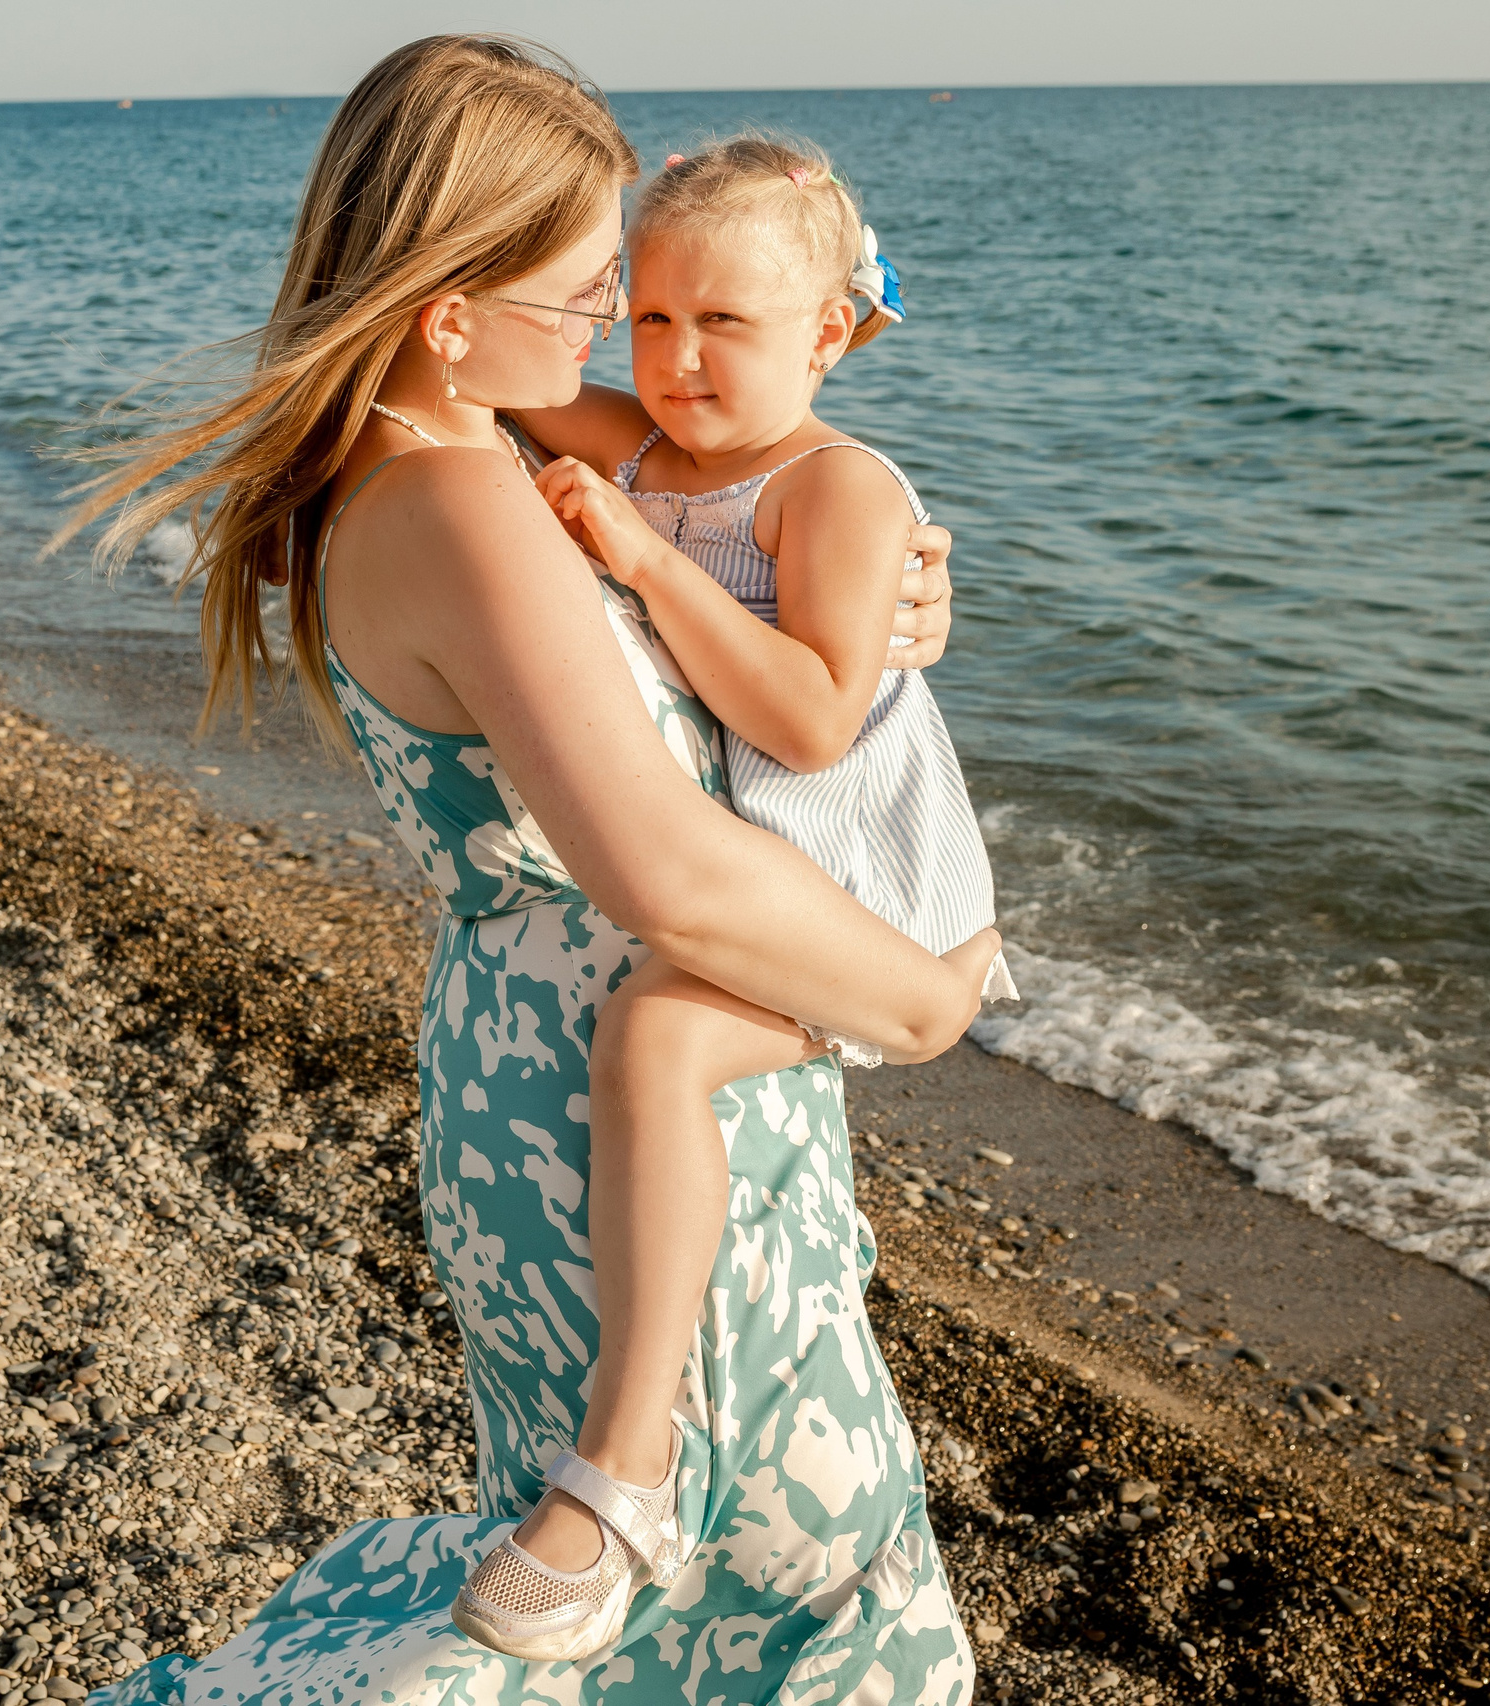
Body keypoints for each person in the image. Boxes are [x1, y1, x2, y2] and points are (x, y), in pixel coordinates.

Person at [66, 36, 979, 1704]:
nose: (616, 344)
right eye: (589, 296)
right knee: (781, 1602)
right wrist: (918, 999)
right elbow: (664, 870)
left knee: (680, 1617)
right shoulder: (462, 507)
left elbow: (749, 519)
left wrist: (884, 596)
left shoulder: (433, 454)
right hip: (612, 1077)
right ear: (446, 312)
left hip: (563, 1073)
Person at [449, 133, 1011, 1659]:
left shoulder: (835, 487)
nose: (680, 360)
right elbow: (465, 367)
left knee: (656, 1043)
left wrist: (640, 555)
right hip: (755, 874)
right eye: (652, 317)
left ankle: (615, 1475)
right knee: (647, 1043)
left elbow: (816, 718)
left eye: (730, 326)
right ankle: (619, 1463)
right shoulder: (642, 438)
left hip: (868, 897)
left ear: (829, 333)